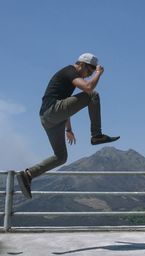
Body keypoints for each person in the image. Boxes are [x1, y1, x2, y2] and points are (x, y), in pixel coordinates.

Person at [16, 53, 120, 199]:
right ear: (82, 65)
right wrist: (98, 73)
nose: (87, 76)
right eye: (88, 72)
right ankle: (96, 135)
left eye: (91, 74)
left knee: (61, 157)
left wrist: (69, 129)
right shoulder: (70, 71)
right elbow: (89, 88)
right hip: (52, 112)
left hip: (48, 119)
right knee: (92, 95)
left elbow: (64, 105)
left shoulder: (70, 77)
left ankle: (27, 175)